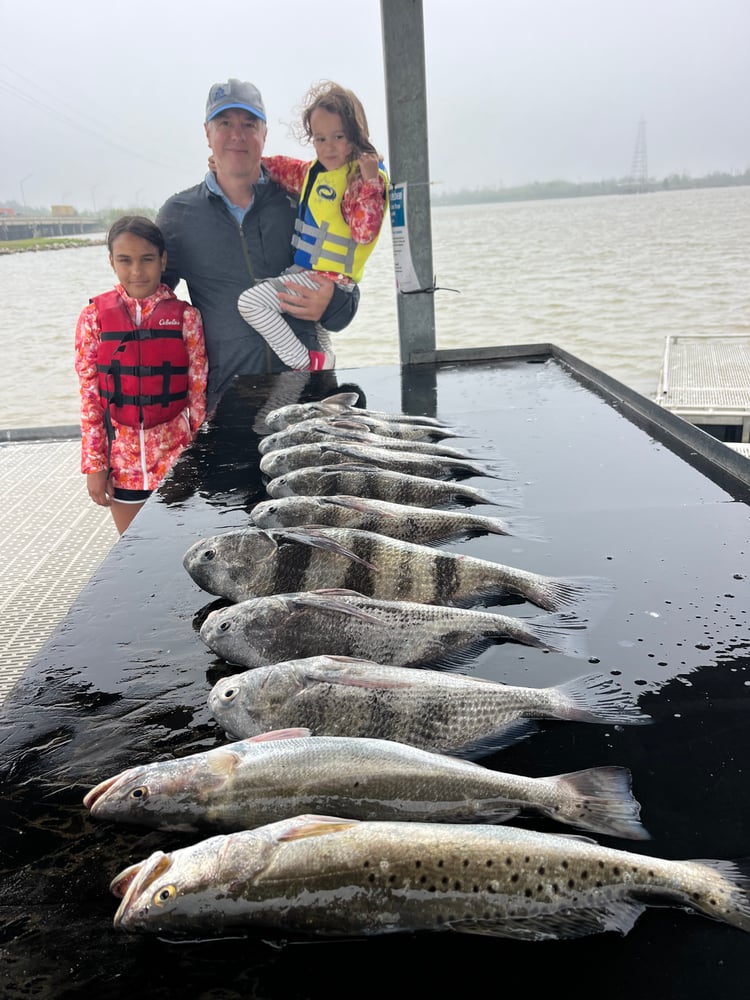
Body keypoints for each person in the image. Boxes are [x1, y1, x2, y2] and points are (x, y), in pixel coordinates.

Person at [156, 79, 361, 415]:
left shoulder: (303, 200)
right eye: (225, 123)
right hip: (227, 403)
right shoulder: (178, 216)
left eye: (249, 124)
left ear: (264, 134)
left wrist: (335, 300)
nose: (237, 135)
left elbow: (348, 293)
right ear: (207, 133)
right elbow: (149, 309)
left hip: (312, 398)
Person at [236, 81, 388, 372]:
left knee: (250, 303)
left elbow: (364, 232)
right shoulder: (311, 173)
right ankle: (326, 365)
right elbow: (278, 167)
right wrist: (240, 164)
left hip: (330, 279)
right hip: (310, 274)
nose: (328, 147)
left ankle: (305, 362)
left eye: (338, 136)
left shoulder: (362, 180)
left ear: (356, 136)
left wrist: (370, 183)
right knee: (317, 334)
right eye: (320, 139)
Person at [74, 215, 208, 535]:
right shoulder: (94, 318)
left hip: (177, 461)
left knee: (181, 550)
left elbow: (198, 397)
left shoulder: (186, 318)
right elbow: (90, 400)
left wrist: (202, 458)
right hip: (124, 469)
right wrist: (95, 465)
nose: (136, 271)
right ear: (112, 262)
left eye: (147, 259)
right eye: (125, 260)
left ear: (162, 260)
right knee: (133, 556)